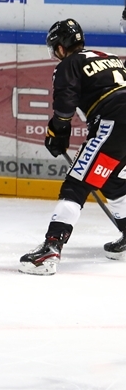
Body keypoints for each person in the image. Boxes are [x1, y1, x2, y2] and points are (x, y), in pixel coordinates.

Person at [20, 18, 126, 275]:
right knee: (110, 178)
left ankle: (50, 249)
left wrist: (58, 132)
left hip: (115, 119)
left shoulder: (70, 63)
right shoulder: (109, 56)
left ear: (60, 47)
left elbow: (65, 103)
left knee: (77, 183)